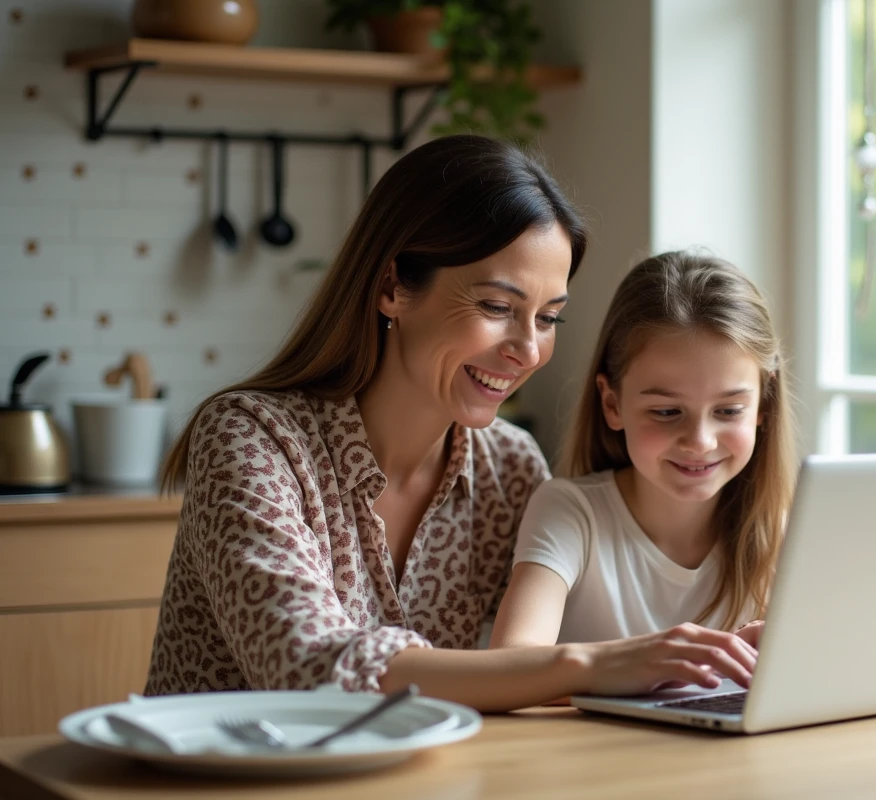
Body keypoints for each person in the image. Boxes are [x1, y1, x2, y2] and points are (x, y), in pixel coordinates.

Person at [143, 137, 756, 710]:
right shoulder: (251, 439)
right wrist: (587, 664)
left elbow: (510, 677)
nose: (528, 350)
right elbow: (306, 668)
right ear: (392, 286)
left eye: (547, 318)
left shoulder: (510, 470)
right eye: (496, 307)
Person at [490, 251, 797, 659]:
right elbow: (511, 656)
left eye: (727, 411)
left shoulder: (780, 531)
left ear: (763, 406)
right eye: (667, 412)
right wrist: (646, 664)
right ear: (612, 403)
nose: (700, 441)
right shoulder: (573, 512)